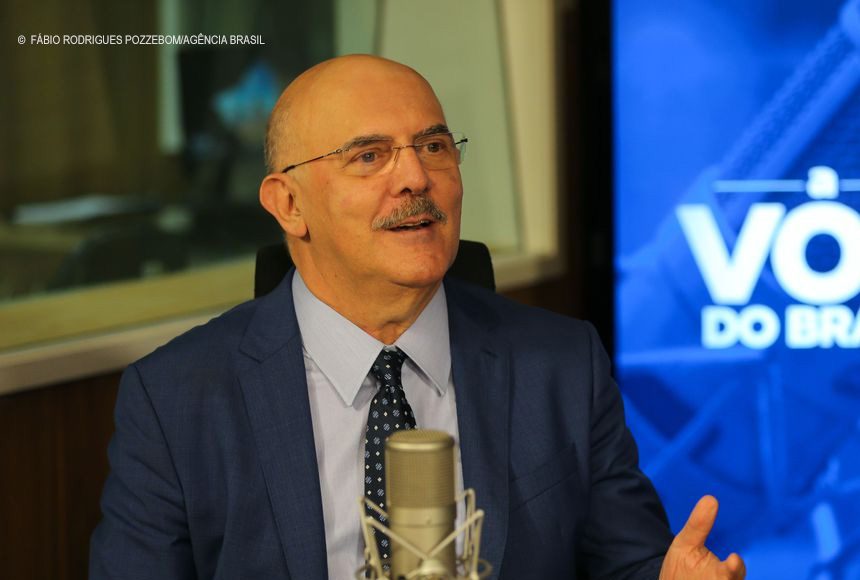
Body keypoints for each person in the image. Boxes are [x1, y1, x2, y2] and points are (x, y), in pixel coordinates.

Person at [89, 54, 746, 579]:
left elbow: (625, 564)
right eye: (368, 156)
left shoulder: (561, 365)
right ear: (289, 204)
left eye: (433, 146)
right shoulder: (177, 398)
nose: (415, 178)